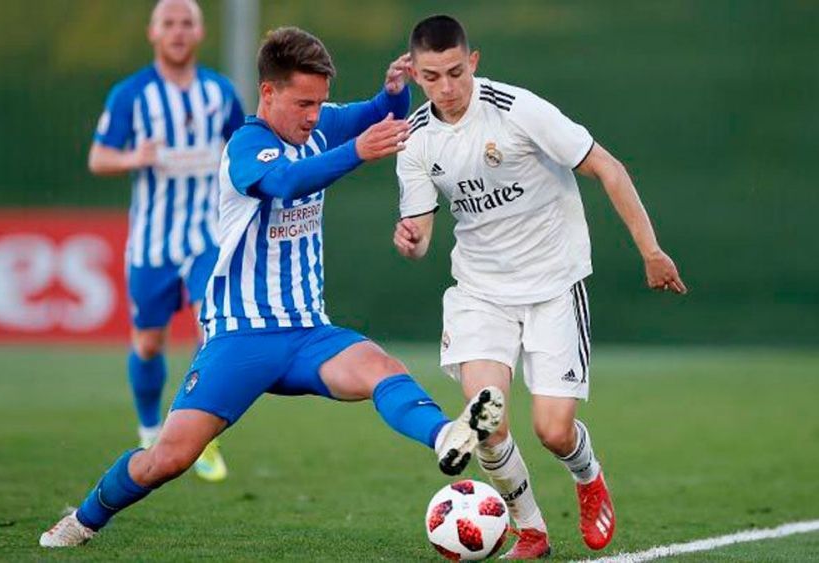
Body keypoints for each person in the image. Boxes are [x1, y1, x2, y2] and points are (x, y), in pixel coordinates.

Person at [40, 26, 505, 548]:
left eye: (320, 102)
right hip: (241, 337)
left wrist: (394, 89)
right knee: (166, 460)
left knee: (382, 368)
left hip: (308, 332)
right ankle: (82, 520)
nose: (314, 114)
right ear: (269, 92)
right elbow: (284, 182)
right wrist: (356, 151)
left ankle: (448, 436)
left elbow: (379, 114)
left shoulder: (320, 127)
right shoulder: (246, 145)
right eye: (303, 102)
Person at [393, 15, 688, 559]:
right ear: (414, 74)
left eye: (456, 72)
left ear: (473, 61)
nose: (447, 87)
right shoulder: (414, 140)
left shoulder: (518, 110)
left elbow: (609, 169)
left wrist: (651, 250)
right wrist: (409, 238)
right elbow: (421, 238)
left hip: (554, 285)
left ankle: (588, 475)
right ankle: (530, 528)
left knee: (553, 430)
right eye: (432, 77)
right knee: (489, 417)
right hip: (479, 291)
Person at [88, 0, 243, 482]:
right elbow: (99, 158)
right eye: (169, 23)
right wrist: (135, 157)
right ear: (153, 33)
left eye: (187, 23)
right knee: (150, 343)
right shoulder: (131, 94)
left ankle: (201, 436)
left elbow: (245, 147)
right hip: (153, 243)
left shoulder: (219, 92)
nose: (178, 31)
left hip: (206, 237)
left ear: (199, 32)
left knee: (211, 330)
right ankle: (149, 428)